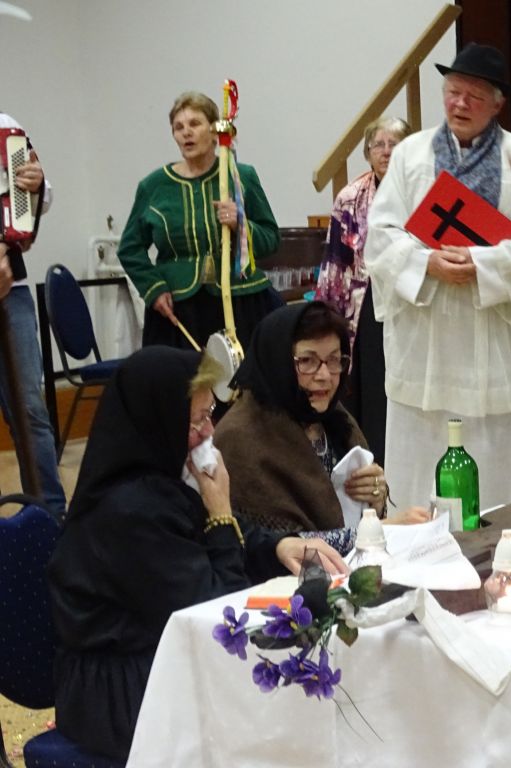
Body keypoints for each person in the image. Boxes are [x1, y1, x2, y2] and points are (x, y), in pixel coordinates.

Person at [48, 346, 346, 761]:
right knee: (281, 714)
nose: (209, 432)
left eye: (210, 415)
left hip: (155, 658)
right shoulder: (128, 513)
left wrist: (279, 544)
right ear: (160, 421)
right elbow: (218, 612)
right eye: (197, 421)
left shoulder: (158, 479)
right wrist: (220, 513)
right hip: (120, 692)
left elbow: (217, 531)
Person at [364, 43, 511, 510]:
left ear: (497, 103)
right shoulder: (411, 155)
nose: (460, 103)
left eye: (474, 96)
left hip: (486, 337)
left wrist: (483, 266)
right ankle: (415, 541)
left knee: (491, 471)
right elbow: (380, 235)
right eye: (452, 92)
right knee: (419, 465)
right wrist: (425, 262)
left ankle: (496, 544)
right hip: (424, 337)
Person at [215, 301, 429, 553]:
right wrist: (384, 530)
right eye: (307, 361)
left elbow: (360, 514)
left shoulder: (335, 419)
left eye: (334, 360)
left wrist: (376, 498)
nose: (325, 375)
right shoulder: (241, 437)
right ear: (277, 362)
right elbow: (275, 546)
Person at [118, 91, 282, 351]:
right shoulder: (153, 186)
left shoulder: (241, 176)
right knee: (181, 375)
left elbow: (271, 239)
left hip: (241, 301)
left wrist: (241, 225)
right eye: (178, 127)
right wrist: (153, 288)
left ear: (215, 132)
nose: (186, 133)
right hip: (178, 307)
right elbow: (129, 248)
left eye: (194, 124)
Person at [315, 115, 411, 464]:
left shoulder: (423, 190)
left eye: (394, 144)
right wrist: (327, 318)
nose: (386, 151)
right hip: (366, 301)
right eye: (378, 145)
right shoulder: (350, 197)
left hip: (411, 296)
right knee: (373, 386)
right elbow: (335, 262)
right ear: (368, 153)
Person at [0, 112, 66, 518]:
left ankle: (50, 517)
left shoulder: (4, 127)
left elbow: (39, 199)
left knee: (30, 410)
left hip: (12, 288)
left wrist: (39, 184)